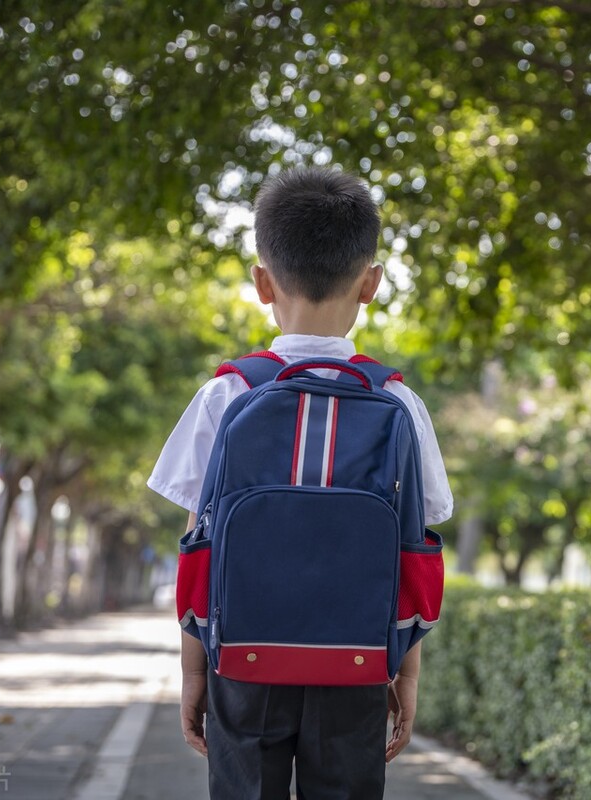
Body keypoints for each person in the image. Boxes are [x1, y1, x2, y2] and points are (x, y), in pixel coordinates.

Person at [147, 166, 454, 799]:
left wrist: (193, 673)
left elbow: (197, 546)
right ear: (371, 284)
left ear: (262, 282)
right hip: (359, 666)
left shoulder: (226, 393)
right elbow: (413, 552)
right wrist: (406, 676)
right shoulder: (400, 402)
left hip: (244, 662)